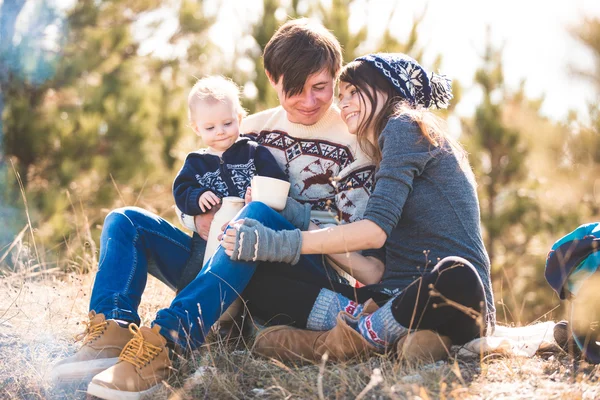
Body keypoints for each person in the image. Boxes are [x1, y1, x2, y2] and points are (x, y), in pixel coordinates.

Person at [51, 18, 377, 399]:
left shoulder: (358, 139)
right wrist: (197, 216)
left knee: (254, 219)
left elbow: (361, 236)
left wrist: (274, 221)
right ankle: (111, 330)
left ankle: (169, 340)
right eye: (294, 89)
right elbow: (196, 189)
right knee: (126, 220)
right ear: (272, 79)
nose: (309, 101)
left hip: (299, 266)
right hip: (217, 256)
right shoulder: (247, 129)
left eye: (320, 87)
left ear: (336, 78)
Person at [221, 53, 497, 362]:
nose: (345, 103)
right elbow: (373, 270)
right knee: (261, 284)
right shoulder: (384, 149)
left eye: (354, 92)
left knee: (456, 271)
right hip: (393, 299)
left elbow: (374, 233)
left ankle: (346, 339)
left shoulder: (404, 126)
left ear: (389, 90)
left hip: (452, 296)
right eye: (341, 95)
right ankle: (401, 336)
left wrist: (281, 243)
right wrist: (292, 214)